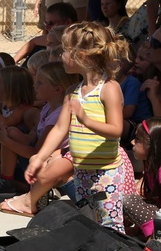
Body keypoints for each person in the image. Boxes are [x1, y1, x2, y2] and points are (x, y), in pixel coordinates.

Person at [24, 23, 134, 231]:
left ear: (81, 56)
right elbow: (59, 129)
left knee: (111, 226)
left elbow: (116, 129)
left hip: (107, 171)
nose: (61, 55)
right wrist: (39, 158)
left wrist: (86, 120)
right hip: (82, 171)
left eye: (65, 50)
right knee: (89, 222)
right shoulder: (73, 91)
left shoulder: (109, 88)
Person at [0, 61, 80, 216]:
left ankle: (16, 186)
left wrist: (5, 141)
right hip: (43, 157)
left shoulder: (57, 116)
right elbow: (32, 137)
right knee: (12, 132)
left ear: (57, 90)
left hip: (50, 160)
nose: (34, 86)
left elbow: (36, 151)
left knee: (11, 139)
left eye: (40, 83)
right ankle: (9, 180)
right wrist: (9, 135)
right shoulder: (48, 107)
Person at [0, 66, 38, 194]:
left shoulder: (24, 109)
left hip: (23, 161)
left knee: (7, 132)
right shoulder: (3, 105)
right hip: (8, 160)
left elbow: (3, 125)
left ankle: (11, 183)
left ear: (12, 90)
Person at [123, 118, 161, 240]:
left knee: (129, 202)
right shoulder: (151, 167)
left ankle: (154, 238)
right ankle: (146, 232)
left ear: (152, 145)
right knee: (130, 199)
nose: (133, 142)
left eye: (138, 139)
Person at [13, 2, 77, 65]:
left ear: (68, 22)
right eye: (45, 23)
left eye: (51, 23)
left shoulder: (76, 40)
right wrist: (11, 63)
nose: (46, 27)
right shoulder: (54, 36)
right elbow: (33, 41)